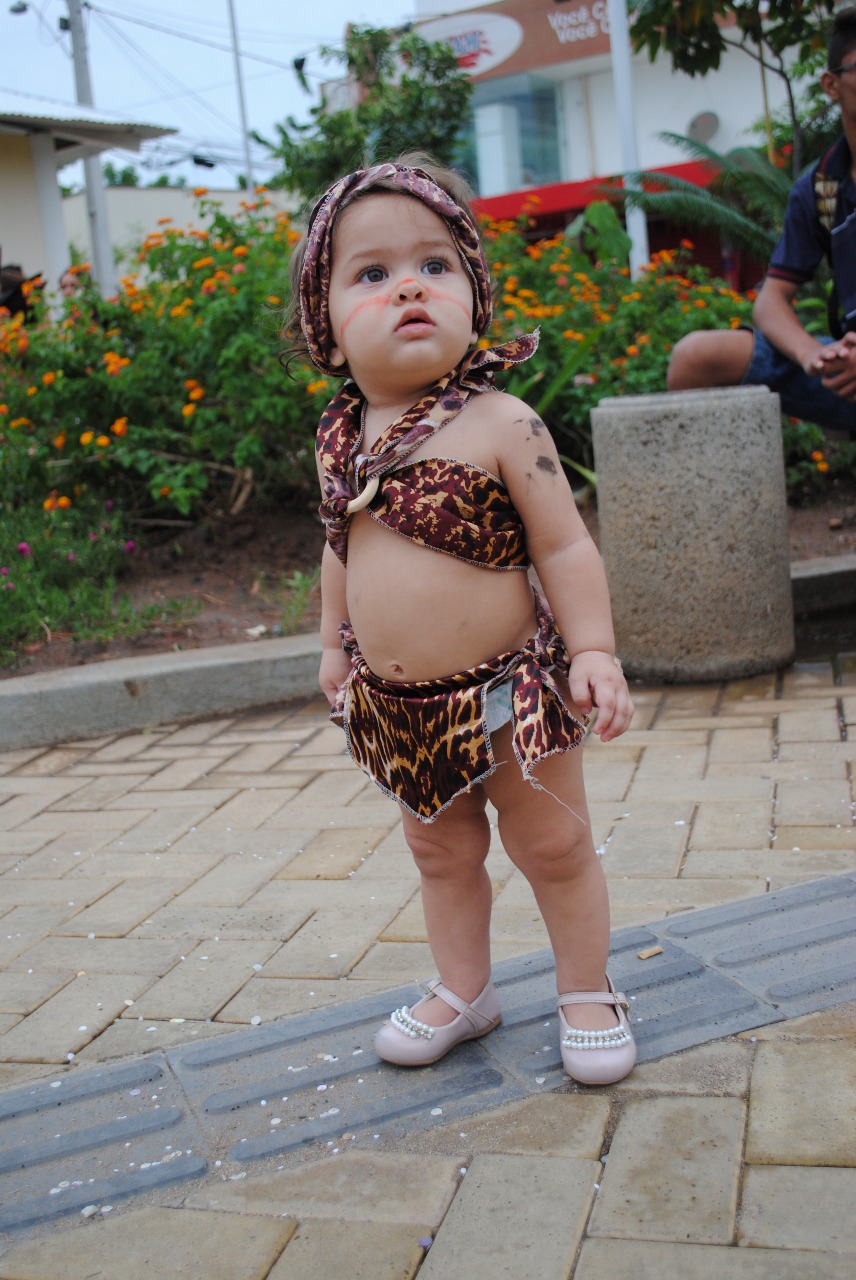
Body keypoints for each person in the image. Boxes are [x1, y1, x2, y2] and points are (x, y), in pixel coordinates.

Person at [286, 154, 637, 1086]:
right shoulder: (340, 439)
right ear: (325, 326)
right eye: (372, 273)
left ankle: (588, 991)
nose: (409, 287)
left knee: (553, 843)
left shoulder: (501, 422)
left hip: (512, 691)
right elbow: (339, 545)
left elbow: (565, 546)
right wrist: (332, 644)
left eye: (434, 265)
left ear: (475, 295)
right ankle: (465, 989)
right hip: (402, 705)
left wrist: (594, 649)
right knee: (439, 853)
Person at [667, 6, 856, 438]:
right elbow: (770, 301)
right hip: (847, 371)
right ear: (831, 85)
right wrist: (814, 356)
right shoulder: (820, 186)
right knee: (696, 358)